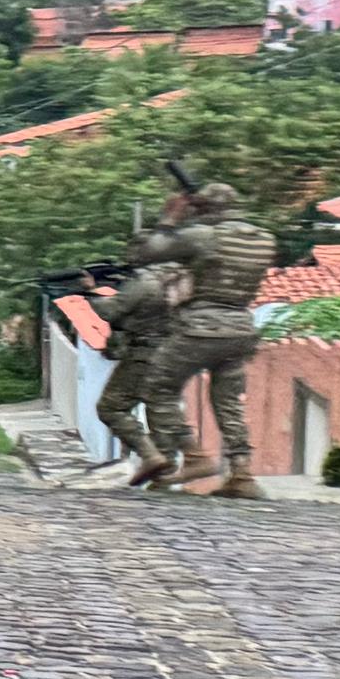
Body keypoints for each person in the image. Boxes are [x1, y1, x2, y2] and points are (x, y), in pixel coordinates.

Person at [131, 180, 282, 497]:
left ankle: (194, 455)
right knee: (228, 402)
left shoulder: (204, 235)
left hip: (200, 327)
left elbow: (145, 254)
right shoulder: (263, 239)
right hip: (241, 326)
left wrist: (169, 219)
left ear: (202, 208)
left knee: (157, 386)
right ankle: (241, 473)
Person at [87, 253, 190, 481]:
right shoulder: (179, 279)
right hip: (175, 353)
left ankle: (149, 454)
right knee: (160, 412)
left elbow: (110, 312)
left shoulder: (144, 283)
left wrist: (91, 291)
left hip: (144, 354)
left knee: (111, 407)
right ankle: (164, 473)